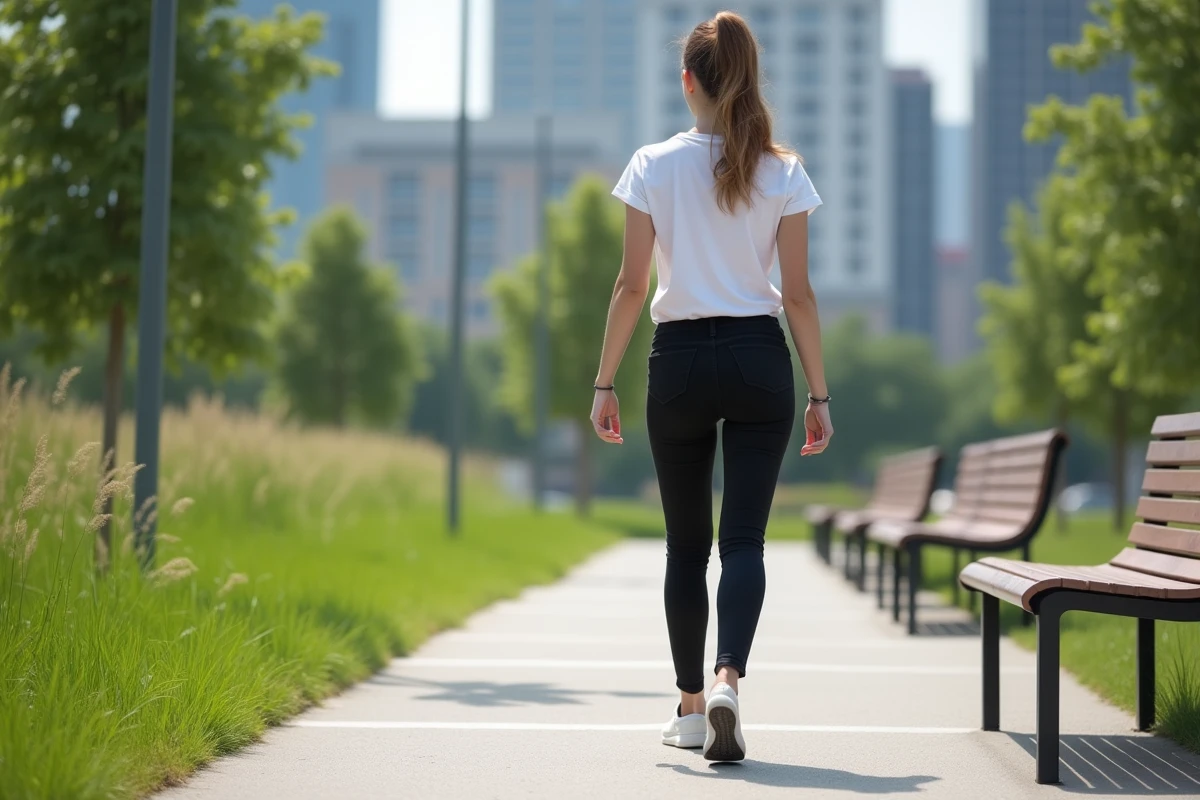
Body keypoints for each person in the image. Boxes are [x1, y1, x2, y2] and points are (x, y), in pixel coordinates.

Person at [589, 11, 832, 763]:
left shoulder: (652, 165)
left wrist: (604, 381)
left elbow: (632, 285)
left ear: (687, 81)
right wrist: (820, 395)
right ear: (747, 80)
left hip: (682, 361)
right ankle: (729, 678)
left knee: (687, 546)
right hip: (761, 358)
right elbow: (797, 295)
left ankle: (691, 707)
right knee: (746, 540)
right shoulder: (782, 170)